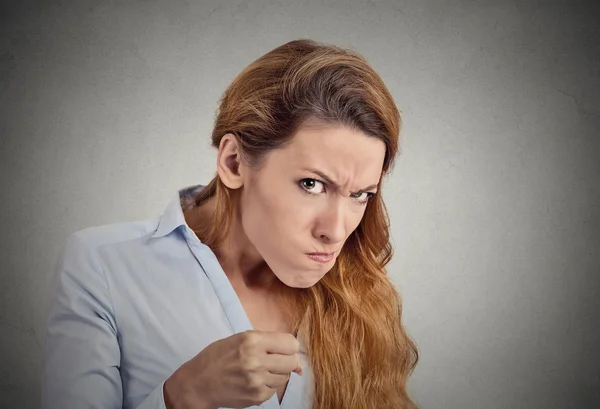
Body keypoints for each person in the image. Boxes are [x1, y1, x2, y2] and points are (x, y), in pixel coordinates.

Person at [41, 39, 419, 409]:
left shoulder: (361, 295)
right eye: (312, 184)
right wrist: (183, 396)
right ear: (234, 162)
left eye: (360, 195)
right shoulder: (103, 265)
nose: (335, 231)